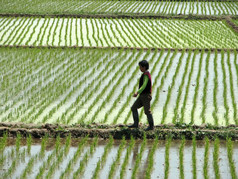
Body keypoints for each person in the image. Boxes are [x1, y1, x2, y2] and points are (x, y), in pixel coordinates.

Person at [128, 60, 154, 131]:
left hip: (146, 96)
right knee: (133, 108)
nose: (140, 68)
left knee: (147, 111)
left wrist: (137, 92)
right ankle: (136, 124)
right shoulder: (145, 74)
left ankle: (151, 126)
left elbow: (144, 85)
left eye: (140, 67)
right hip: (142, 96)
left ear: (144, 67)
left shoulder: (146, 75)